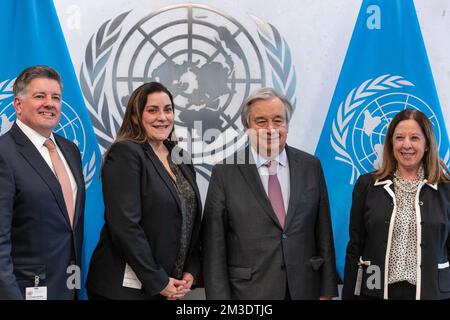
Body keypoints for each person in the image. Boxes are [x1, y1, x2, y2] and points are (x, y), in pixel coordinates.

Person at [202, 87, 338, 300]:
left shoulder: (310, 166)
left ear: (287, 125)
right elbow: (214, 248)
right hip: (249, 294)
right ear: (247, 127)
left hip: (305, 289)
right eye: (261, 122)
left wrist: (327, 290)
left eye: (278, 120)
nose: (271, 129)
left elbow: (323, 232)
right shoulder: (225, 172)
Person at [86, 82, 202, 300]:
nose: (163, 117)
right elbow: (125, 226)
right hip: (124, 291)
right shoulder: (126, 153)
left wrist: (191, 269)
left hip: (170, 286)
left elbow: (190, 219)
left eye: (168, 110)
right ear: (136, 117)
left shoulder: (181, 157)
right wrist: (157, 280)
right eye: (152, 110)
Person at [342, 109, 450, 300]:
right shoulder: (367, 185)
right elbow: (355, 247)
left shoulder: (446, 190)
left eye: (414, 137)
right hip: (373, 291)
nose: (406, 144)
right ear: (391, 143)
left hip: (432, 293)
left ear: (426, 145)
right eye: (399, 137)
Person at [0, 65, 85, 299]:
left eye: (55, 97)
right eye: (40, 96)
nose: (50, 103)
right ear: (18, 105)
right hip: (24, 289)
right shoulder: (4, 153)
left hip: (70, 284)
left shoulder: (70, 150)